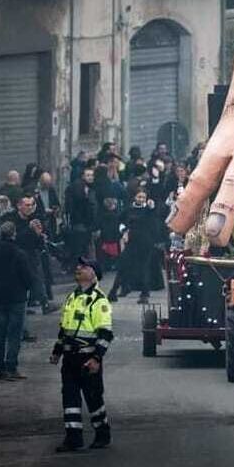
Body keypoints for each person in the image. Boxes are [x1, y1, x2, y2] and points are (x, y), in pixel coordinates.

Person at [50, 258, 114, 452]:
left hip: (88, 358)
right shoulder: (72, 297)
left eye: (84, 267)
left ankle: (102, 434)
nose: (78, 269)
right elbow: (65, 329)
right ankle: (73, 438)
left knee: (94, 399)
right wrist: (57, 352)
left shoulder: (99, 300)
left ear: (93, 273)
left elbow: (105, 334)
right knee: (70, 400)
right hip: (70, 358)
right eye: (78, 266)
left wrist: (96, 359)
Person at [0, 222, 34, 381]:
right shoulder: (19, 253)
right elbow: (27, 276)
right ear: (13, 234)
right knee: (14, 334)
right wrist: (27, 288)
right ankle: (11, 366)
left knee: (0, 333)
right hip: (17, 297)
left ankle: (1, 368)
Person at [110, 189, 160, 304]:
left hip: (145, 243)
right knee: (123, 265)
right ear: (134, 197)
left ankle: (145, 293)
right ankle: (114, 291)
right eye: (139, 197)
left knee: (143, 268)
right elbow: (119, 220)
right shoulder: (129, 209)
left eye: (143, 197)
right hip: (131, 242)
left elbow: (153, 222)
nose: (141, 199)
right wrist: (123, 230)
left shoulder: (148, 210)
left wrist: (151, 208)